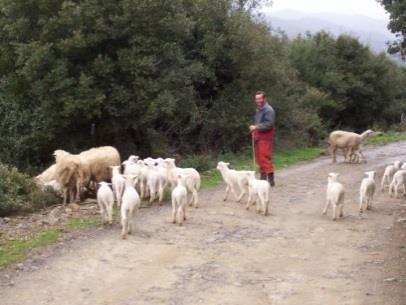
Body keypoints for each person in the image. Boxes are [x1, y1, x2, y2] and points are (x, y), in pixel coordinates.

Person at [249, 91, 276, 186]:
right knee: (260, 159)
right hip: (259, 136)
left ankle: (270, 181)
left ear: (264, 98)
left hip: (266, 137)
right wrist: (254, 131)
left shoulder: (269, 110)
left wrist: (256, 127)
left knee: (265, 158)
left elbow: (269, 124)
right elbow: (259, 123)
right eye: (256, 99)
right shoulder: (259, 110)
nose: (258, 100)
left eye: (260, 98)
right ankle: (263, 179)